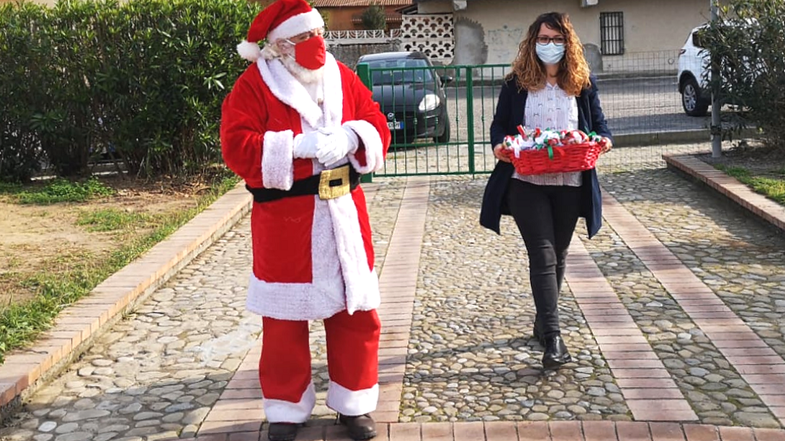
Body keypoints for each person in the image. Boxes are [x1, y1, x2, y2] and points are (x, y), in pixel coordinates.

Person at [220, 0, 391, 440]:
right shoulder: (253, 86)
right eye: (303, 38)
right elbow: (237, 146)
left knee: (356, 312)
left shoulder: (341, 76)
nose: (316, 44)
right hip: (285, 223)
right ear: (278, 47)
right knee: (282, 322)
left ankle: (354, 403)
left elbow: (376, 123)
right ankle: (285, 408)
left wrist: (352, 136)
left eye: (318, 35)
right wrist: (298, 147)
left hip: (344, 216)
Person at [479, 12, 612, 370]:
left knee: (560, 252)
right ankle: (554, 340)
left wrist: (603, 142)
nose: (549, 46)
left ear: (568, 44)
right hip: (527, 180)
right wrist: (500, 146)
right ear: (532, 43)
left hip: (570, 181)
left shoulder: (582, 84)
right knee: (542, 253)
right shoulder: (516, 84)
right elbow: (500, 126)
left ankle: (542, 321)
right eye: (543, 39)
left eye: (556, 39)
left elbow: (599, 125)